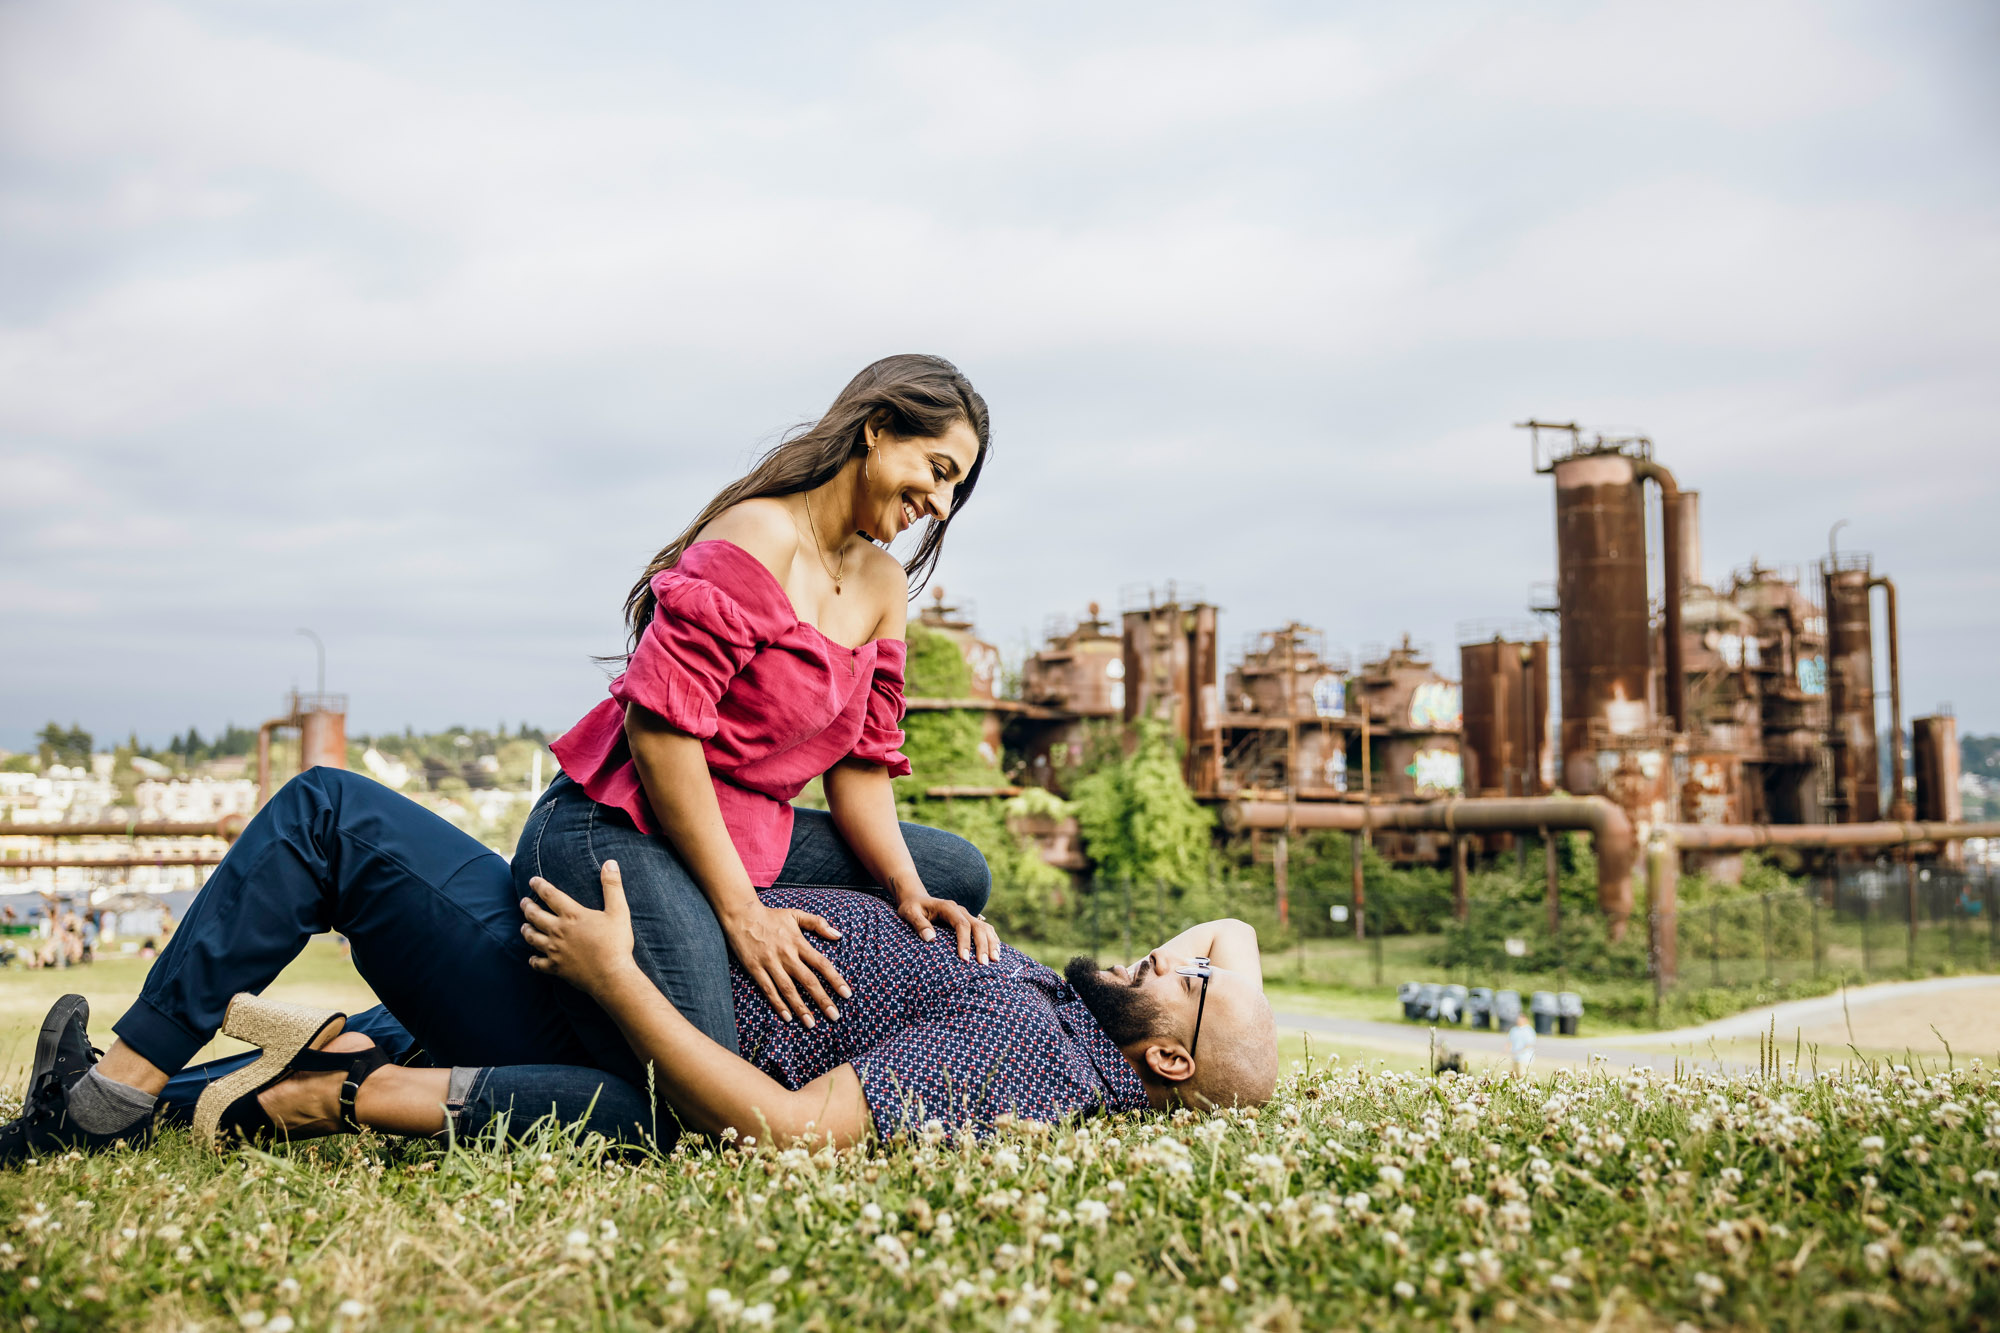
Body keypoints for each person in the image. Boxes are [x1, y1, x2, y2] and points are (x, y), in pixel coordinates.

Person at [1, 769, 1278, 1160]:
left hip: (609, 992)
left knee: (331, 816)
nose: (1172, 948)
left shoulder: (1031, 1053)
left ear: (1167, 1052)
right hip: (664, 933)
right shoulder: (1040, 1000)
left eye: (1193, 971)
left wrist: (619, 971)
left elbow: (786, 1126)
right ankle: (125, 1096)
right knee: (954, 863)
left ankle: (103, 1101)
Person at [524, 353, 1000, 1081]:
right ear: (876, 429)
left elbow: (862, 769)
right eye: (937, 470)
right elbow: (659, 733)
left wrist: (907, 890)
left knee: (953, 872)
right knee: (699, 1078)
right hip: (626, 818)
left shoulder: (880, 584)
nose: (939, 503)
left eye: (954, 489)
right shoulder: (758, 533)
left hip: (751, 828)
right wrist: (742, 913)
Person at [1509, 1009, 1536, 1080]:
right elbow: (1509, 1041)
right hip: (1515, 1057)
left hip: (1525, 1058)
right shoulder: (1514, 1030)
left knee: (1522, 1076)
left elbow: (1529, 1044)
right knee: (1514, 1076)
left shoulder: (1529, 1030)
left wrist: (1519, 1051)